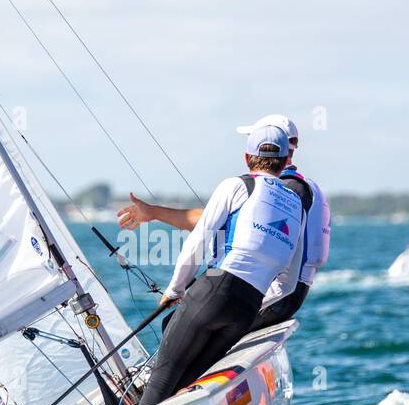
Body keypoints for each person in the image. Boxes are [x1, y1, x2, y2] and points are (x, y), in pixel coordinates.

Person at [135, 124, 306, 405]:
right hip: (247, 309)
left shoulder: (236, 185)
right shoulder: (297, 205)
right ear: (285, 161)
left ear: (247, 158)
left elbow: (198, 241)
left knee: (162, 380)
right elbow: (289, 282)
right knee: (187, 385)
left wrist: (174, 289)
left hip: (214, 290)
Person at [118, 113, 331, 328]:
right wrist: (153, 212)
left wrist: (178, 287)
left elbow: (214, 224)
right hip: (282, 294)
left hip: (274, 296)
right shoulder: (296, 187)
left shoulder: (286, 189)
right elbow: (214, 221)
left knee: (176, 323)